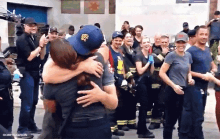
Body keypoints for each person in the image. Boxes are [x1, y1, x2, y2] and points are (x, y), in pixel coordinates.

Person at [42, 25, 118, 139]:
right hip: (75, 126)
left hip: (96, 125)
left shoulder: (99, 62)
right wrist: (81, 67)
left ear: (94, 50)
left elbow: (113, 103)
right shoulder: (61, 57)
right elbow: (46, 75)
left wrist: (101, 96)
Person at [181, 25, 217, 139]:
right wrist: (201, 75)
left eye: (206, 34)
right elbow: (187, 71)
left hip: (204, 87)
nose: (204, 37)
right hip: (193, 87)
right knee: (196, 116)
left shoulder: (207, 49)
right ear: (195, 36)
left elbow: (212, 64)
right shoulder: (190, 51)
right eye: (201, 34)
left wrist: (213, 71)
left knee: (199, 114)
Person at [16, 17, 48, 138]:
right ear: (25, 26)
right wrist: (40, 46)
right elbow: (29, 57)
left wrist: (43, 46)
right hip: (26, 73)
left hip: (35, 72)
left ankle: (31, 125)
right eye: (30, 25)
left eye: (34, 25)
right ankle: (21, 129)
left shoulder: (34, 38)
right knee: (27, 102)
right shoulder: (21, 39)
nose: (33, 27)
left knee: (34, 101)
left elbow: (41, 57)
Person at [159, 32, 194, 139]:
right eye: (179, 42)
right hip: (172, 91)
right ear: (175, 43)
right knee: (170, 121)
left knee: (183, 121)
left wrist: (190, 78)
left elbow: (188, 71)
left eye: (183, 42)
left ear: (187, 42)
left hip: (184, 91)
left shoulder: (188, 55)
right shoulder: (171, 56)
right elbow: (161, 73)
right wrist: (174, 86)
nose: (181, 45)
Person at [109, 31, 131, 132]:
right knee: (111, 104)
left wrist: (125, 78)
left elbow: (121, 66)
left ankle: (116, 126)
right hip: (111, 81)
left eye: (119, 40)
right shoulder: (108, 51)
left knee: (119, 103)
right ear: (112, 40)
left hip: (120, 81)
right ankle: (111, 128)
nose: (118, 42)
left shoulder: (120, 52)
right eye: (116, 40)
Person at [135, 36, 155, 138]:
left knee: (146, 106)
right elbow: (140, 71)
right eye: (145, 42)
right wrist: (148, 63)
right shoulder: (139, 55)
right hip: (141, 82)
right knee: (143, 106)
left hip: (147, 81)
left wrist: (152, 63)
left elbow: (151, 72)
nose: (147, 44)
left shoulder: (149, 55)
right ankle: (142, 130)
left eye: (148, 42)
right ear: (141, 44)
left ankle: (141, 129)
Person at [120, 32, 137, 130]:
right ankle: (122, 123)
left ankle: (132, 121)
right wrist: (129, 77)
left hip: (134, 78)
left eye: (131, 37)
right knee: (124, 100)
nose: (129, 39)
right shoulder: (122, 50)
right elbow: (123, 64)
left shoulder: (133, 51)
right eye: (127, 37)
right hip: (126, 77)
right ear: (123, 39)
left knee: (132, 101)